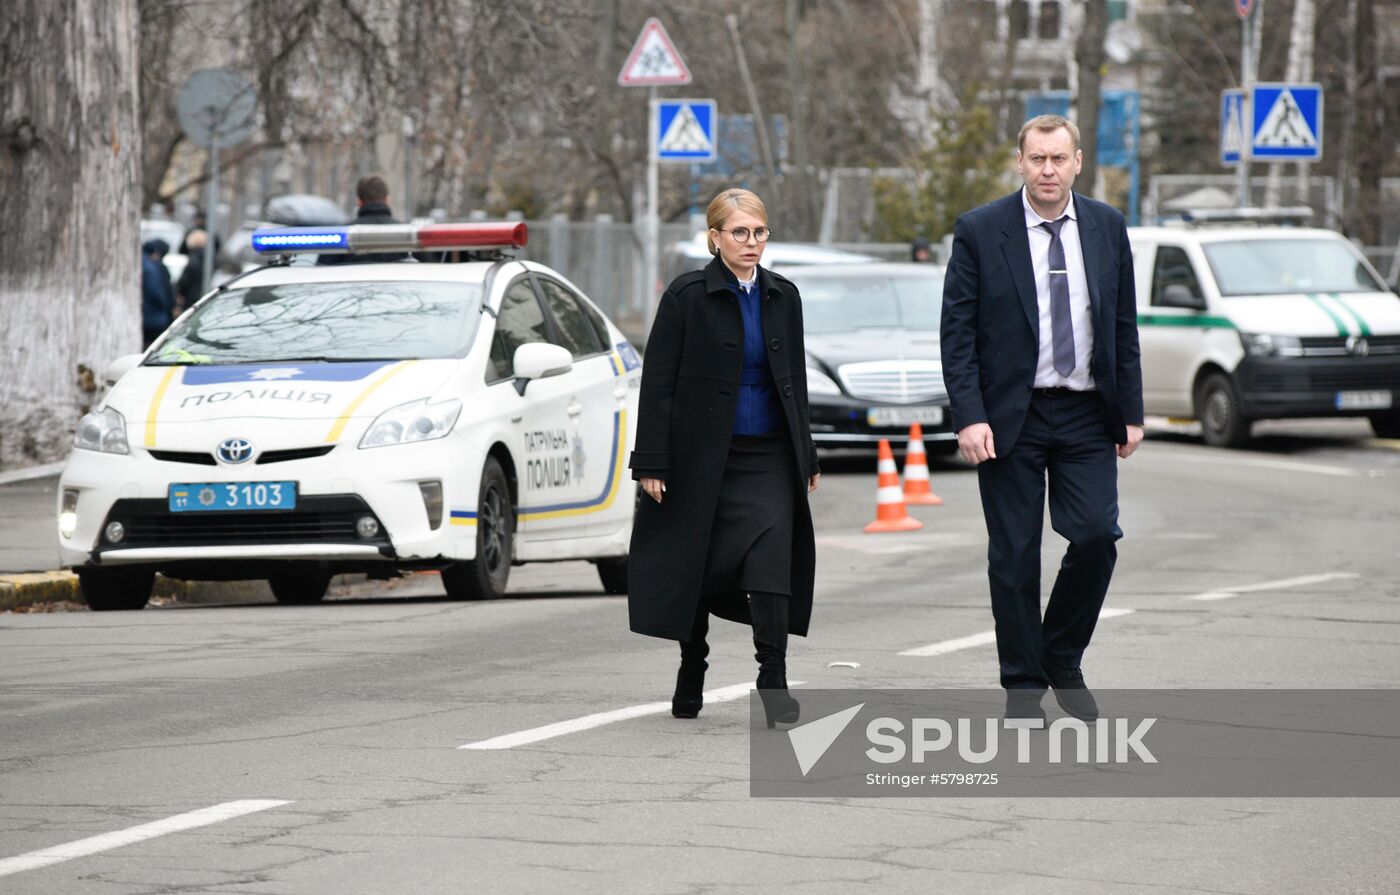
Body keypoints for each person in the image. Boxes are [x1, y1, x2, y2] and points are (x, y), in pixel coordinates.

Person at [939, 114, 1144, 723]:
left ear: (1078, 161)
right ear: (1020, 162)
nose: (1048, 170)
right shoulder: (981, 230)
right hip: (1010, 417)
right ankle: (1023, 686)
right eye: (1037, 159)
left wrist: (1129, 412)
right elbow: (958, 334)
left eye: (1059, 158)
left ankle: (1061, 653)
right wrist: (970, 416)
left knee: (1096, 536)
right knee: (1015, 553)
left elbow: (1123, 326)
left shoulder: (1107, 227)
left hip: (1085, 412)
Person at [628, 188, 821, 729]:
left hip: (767, 459)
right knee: (696, 567)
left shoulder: (785, 296)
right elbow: (658, 383)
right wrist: (652, 463)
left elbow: (795, 385)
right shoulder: (687, 296)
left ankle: (773, 679)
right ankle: (693, 665)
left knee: (771, 566)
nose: (752, 243)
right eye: (740, 233)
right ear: (714, 239)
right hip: (699, 459)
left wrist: (806, 454)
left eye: (759, 232)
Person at [318, 174, 409, 265]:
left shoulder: (340, 236)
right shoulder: (407, 234)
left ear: (359, 202)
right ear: (387, 200)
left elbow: (322, 270)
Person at [140, 239, 175, 348]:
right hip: (155, 317)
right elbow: (156, 292)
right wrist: (168, 306)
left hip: (147, 316)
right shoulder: (151, 268)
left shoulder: (143, 264)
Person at [175, 229, 208, 312]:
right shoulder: (210, 259)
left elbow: (184, 281)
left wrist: (178, 292)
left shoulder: (193, 259)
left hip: (192, 299)